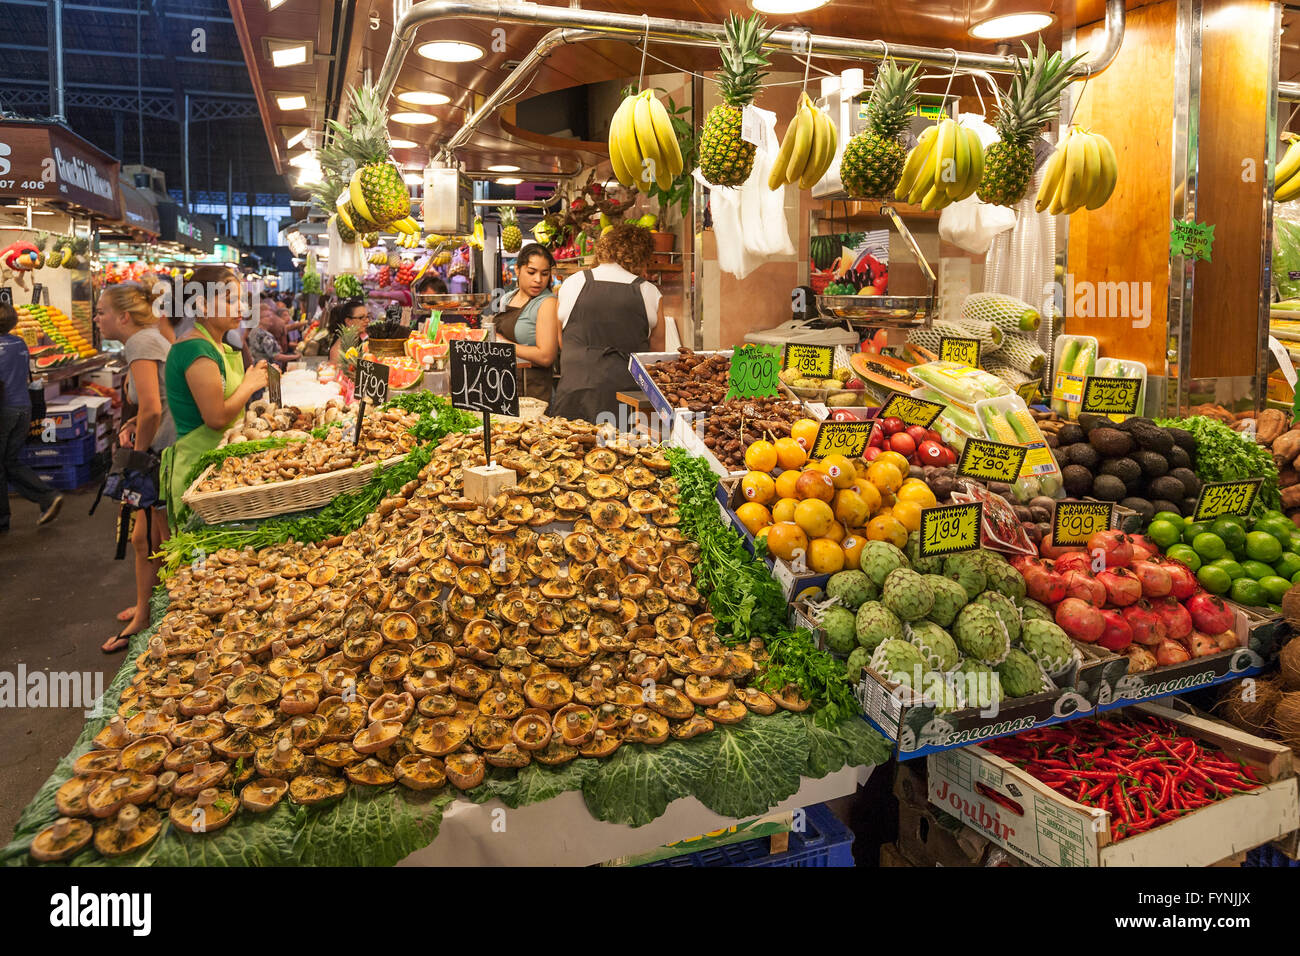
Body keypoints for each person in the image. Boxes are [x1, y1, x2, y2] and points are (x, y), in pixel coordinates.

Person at [93, 283, 174, 652]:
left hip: (161, 456)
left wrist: (135, 459)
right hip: (161, 451)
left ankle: (159, 616)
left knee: (157, 540)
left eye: (102, 312)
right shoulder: (147, 339)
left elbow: (155, 409)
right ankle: (149, 608)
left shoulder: (141, 343)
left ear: (123, 316)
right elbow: (152, 405)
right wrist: (131, 425)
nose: (97, 318)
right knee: (145, 539)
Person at [160, 265, 268, 531]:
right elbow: (216, 417)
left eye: (241, 299)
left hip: (219, 463)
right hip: (199, 468)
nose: (240, 307)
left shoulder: (218, 344)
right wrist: (249, 384)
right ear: (203, 305)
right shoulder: (195, 348)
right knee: (200, 561)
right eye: (230, 300)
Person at [550, 223, 665, 423]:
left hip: (575, 393)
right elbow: (656, 357)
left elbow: (561, 340)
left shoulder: (571, 284)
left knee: (569, 450)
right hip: (628, 400)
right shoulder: (649, 292)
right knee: (627, 452)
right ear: (639, 257)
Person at [0, 303, 62, 532]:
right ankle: (48, 497)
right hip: (23, 408)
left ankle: (3, 519)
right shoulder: (20, 343)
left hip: (3, 410)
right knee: (10, 461)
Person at [488, 244, 559, 403]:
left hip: (533, 392)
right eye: (531, 272)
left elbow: (546, 356)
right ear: (517, 269)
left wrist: (503, 344)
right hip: (504, 384)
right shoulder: (508, 297)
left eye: (544, 274)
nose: (538, 280)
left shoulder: (547, 303)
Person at [248, 301, 298, 368]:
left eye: (270, 315)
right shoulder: (262, 334)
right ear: (259, 319)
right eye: (267, 316)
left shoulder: (255, 331)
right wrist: (296, 356)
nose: (271, 318)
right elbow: (276, 357)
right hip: (266, 369)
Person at [327, 297, 369, 365]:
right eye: (361, 317)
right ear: (348, 321)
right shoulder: (339, 348)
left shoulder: (360, 340)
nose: (367, 320)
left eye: (367, 316)